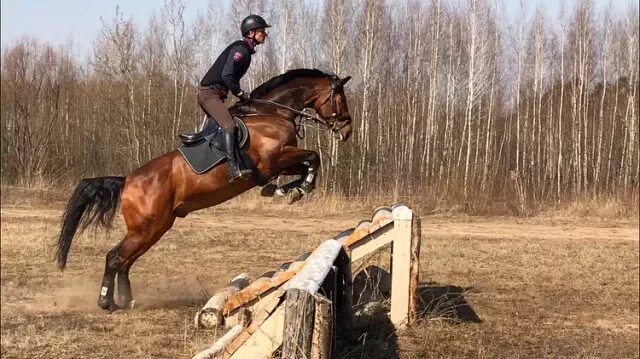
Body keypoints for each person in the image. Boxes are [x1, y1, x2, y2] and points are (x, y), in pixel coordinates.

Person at [182, 15, 270, 182]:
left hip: (214, 95)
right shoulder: (241, 50)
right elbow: (227, 75)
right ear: (251, 32)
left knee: (224, 126)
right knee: (229, 125)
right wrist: (239, 93)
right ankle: (232, 168)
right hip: (209, 94)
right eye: (262, 31)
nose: (265, 34)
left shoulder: (245, 51)